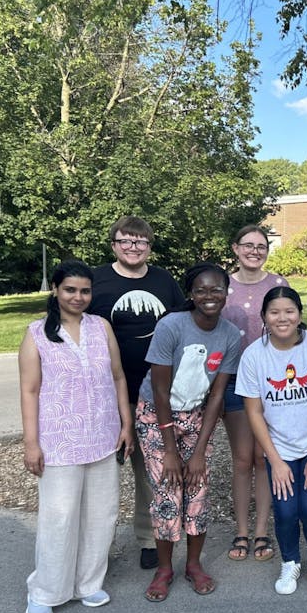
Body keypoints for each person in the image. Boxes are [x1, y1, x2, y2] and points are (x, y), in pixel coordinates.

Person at [19, 260, 134, 613]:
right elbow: (29, 389)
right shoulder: (37, 333)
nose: (78, 297)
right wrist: (31, 443)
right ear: (56, 290)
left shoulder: (101, 327)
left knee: (102, 514)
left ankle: (88, 582)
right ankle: (46, 590)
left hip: (102, 435)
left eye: (85, 290)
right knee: (59, 516)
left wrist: (126, 424)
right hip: (58, 440)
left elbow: (117, 377)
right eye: (70, 289)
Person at [135, 262, 241, 600]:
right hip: (156, 415)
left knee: (197, 491)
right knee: (168, 491)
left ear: (226, 293)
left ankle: (193, 564)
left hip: (197, 416)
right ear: (191, 295)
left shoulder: (229, 335)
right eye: (201, 290)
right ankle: (164, 568)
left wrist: (198, 452)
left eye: (216, 290)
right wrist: (169, 450)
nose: (209, 296)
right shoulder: (171, 326)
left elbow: (217, 396)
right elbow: (161, 391)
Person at [88, 216, 185, 571]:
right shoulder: (95, 281)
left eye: (140, 242)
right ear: (113, 244)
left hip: (152, 394)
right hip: (105, 394)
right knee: (102, 473)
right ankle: (98, 543)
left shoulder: (163, 281)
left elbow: (180, 326)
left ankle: (148, 538)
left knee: (150, 472)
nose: (133, 247)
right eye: (126, 241)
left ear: (149, 246)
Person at [236, 287, 307, 595]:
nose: (282, 318)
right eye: (274, 312)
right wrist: (275, 460)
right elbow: (253, 412)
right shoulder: (254, 355)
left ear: (299, 314)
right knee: (284, 511)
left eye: (289, 311)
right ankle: (290, 561)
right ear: (264, 317)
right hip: (278, 447)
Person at [221, 225, 289, 563]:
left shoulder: (277, 285)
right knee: (243, 458)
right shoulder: (224, 286)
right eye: (248, 245)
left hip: (271, 383)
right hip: (233, 381)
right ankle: (242, 530)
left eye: (261, 246)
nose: (254, 251)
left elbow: (289, 328)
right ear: (236, 248)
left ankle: (263, 529)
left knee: (265, 458)